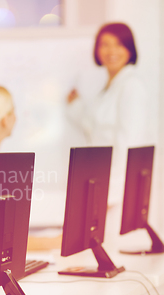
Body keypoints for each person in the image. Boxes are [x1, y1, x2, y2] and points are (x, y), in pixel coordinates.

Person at [66, 23, 154, 205]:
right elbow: (95, 129)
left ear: (130, 50)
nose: (111, 51)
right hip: (101, 180)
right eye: (105, 44)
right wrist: (75, 105)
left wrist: (111, 191)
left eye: (119, 44)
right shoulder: (109, 87)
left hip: (116, 189)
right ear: (97, 50)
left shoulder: (131, 86)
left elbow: (130, 142)